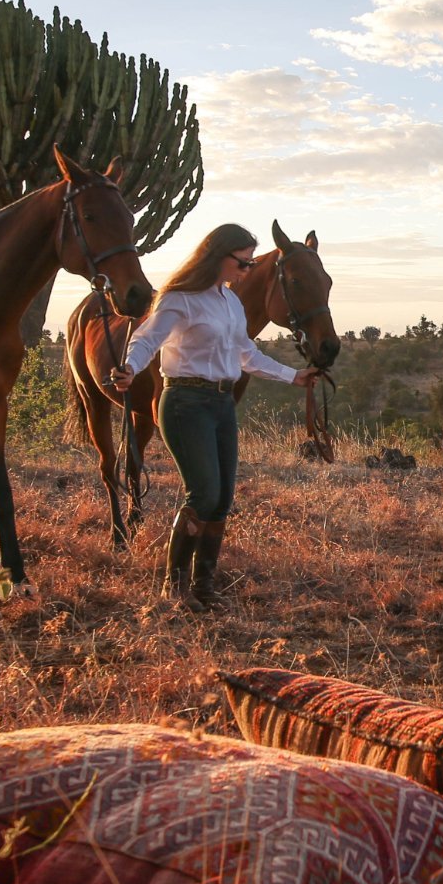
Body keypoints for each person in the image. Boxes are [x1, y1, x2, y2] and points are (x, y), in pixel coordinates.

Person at [110, 224, 323, 606]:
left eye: (249, 264)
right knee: (203, 492)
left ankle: (203, 588)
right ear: (217, 256)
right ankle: (173, 590)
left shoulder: (230, 302)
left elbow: (246, 353)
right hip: (185, 402)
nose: (246, 271)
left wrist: (294, 376)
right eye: (242, 263)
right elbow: (148, 339)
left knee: (222, 498)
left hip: (222, 405)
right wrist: (129, 366)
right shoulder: (179, 298)